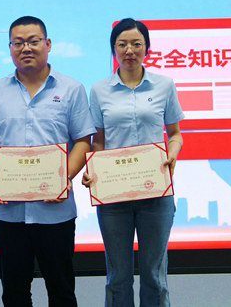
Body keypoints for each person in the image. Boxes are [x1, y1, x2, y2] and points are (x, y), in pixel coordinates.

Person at [0, 16, 94, 307]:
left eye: (33, 41)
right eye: (18, 43)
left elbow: (83, 141)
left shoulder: (72, 89)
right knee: (14, 294)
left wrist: (62, 178)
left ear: (48, 44)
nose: (25, 48)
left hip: (55, 212)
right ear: (10, 48)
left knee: (62, 291)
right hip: (8, 212)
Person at [82, 18, 184, 307]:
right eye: (122, 44)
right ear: (113, 49)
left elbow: (175, 134)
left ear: (146, 48)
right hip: (114, 194)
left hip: (156, 192)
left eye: (136, 44)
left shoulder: (164, 85)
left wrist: (172, 153)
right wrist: (92, 169)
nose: (129, 50)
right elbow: (99, 141)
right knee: (118, 276)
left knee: (154, 275)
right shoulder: (99, 90)